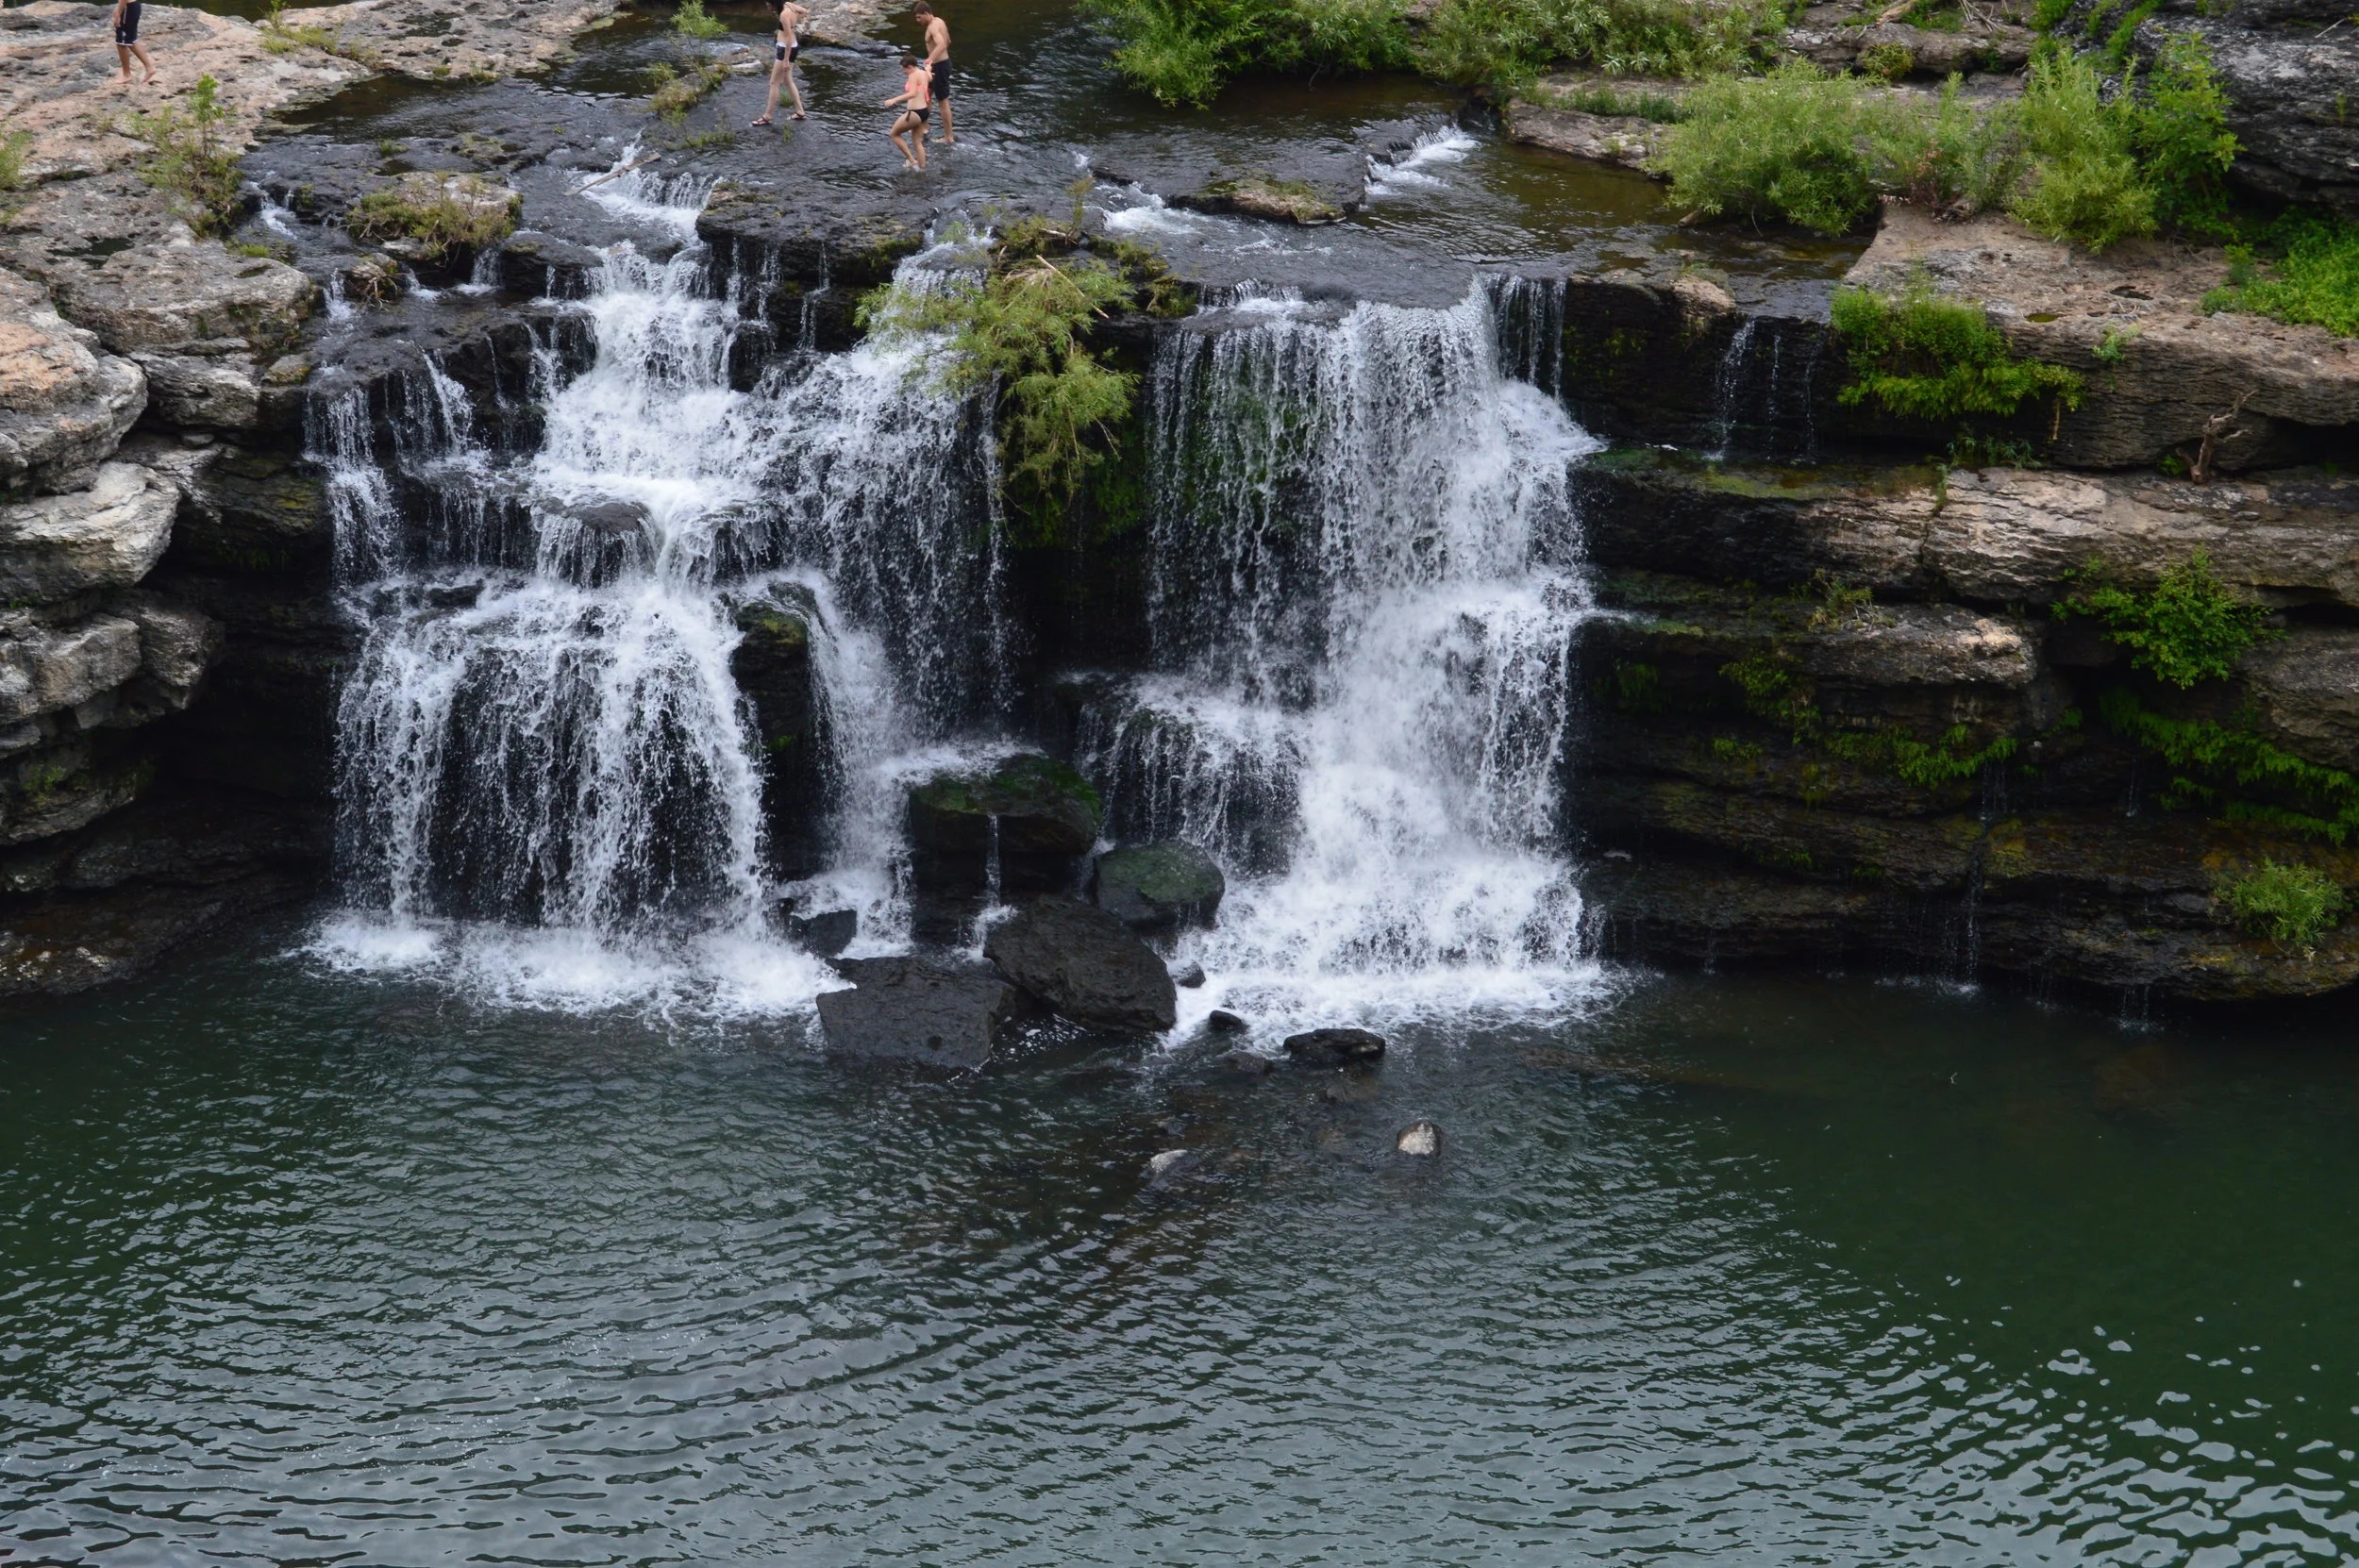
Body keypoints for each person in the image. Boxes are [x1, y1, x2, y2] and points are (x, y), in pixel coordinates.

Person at [751, 0, 810, 126]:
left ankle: (767, 116)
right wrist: (795, 21)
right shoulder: (789, 5)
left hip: (785, 50)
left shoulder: (784, 14)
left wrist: (786, 60)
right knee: (788, 81)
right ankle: (800, 112)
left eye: (769, 5)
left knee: (774, 83)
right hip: (792, 47)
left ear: (774, 4)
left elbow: (788, 38)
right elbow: (804, 11)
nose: (768, 8)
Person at [912, 0, 952, 146]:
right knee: (925, 95)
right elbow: (948, 41)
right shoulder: (940, 21)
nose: (918, 20)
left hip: (940, 67)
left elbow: (942, 44)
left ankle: (948, 137)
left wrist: (930, 59)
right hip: (938, 65)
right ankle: (924, 128)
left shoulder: (933, 26)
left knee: (943, 101)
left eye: (919, 17)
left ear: (926, 13)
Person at [882, 53, 930, 172]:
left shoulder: (913, 75)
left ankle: (912, 160)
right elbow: (930, 78)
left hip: (915, 113)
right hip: (924, 112)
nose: (903, 71)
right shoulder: (923, 73)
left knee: (894, 134)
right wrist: (929, 69)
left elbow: (913, 93)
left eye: (904, 69)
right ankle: (922, 169)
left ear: (909, 67)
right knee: (917, 143)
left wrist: (894, 100)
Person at [110, 0, 158, 88]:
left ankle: (127, 75)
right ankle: (149, 68)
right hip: (131, 7)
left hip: (128, 8)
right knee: (129, 41)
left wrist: (118, 13)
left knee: (122, 43)